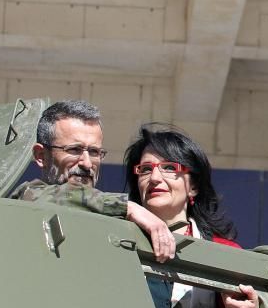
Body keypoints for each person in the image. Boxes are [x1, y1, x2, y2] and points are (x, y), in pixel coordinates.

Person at [124, 124, 268, 308]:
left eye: (169, 168)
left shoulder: (226, 254)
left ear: (193, 186)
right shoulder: (118, 246)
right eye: (145, 169)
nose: (155, 178)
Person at [10, 100, 175, 262]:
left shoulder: (119, 223)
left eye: (94, 152)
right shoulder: (27, 198)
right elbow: (42, 196)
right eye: (74, 150)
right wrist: (128, 207)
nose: (87, 163)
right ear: (41, 156)